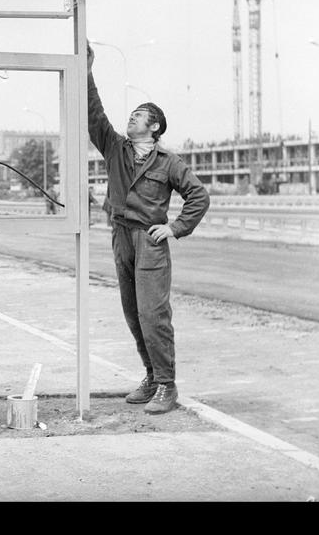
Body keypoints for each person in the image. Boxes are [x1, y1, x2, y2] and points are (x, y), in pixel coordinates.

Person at [86, 41, 209, 414]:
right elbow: (94, 115)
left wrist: (174, 228)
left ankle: (167, 385)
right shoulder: (115, 147)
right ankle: (152, 377)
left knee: (154, 314)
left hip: (150, 241)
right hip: (121, 236)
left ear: (154, 126)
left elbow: (198, 197)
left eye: (139, 115)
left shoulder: (170, 162)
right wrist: (86, 69)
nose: (131, 119)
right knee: (132, 311)